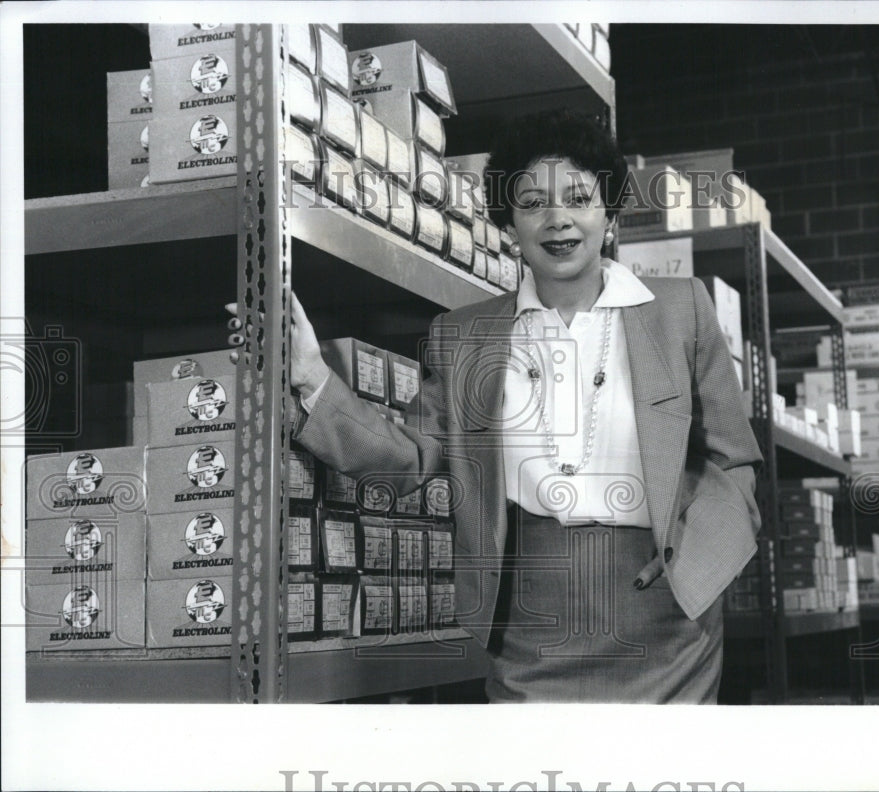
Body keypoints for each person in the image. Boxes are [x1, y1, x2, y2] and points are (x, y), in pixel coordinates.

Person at [231, 110, 762, 703]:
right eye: (532, 202)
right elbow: (408, 460)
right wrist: (311, 377)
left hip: (670, 619)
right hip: (529, 621)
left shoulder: (680, 311)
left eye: (579, 198)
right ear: (509, 223)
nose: (557, 219)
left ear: (609, 213)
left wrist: (705, 557)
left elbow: (733, 460)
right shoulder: (465, 337)